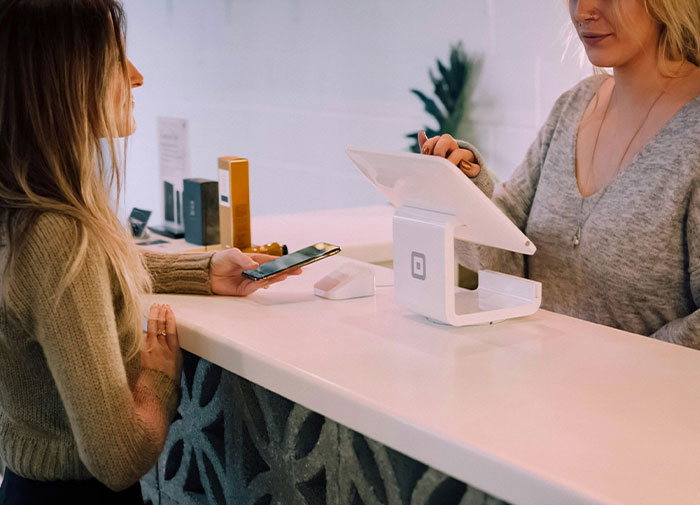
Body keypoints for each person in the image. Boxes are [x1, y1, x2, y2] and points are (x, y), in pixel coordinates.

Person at [0, 1, 299, 503]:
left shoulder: (21, 208)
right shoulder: (59, 234)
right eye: (117, 61)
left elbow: (70, 279)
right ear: (64, 78)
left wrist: (203, 271)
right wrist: (159, 376)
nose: (136, 77)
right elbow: (117, 457)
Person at [419, 0, 700, 349]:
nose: (583, 12)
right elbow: (505, 258)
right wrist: (461, 190)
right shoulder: (575, 104)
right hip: (537, 384)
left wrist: (631, 367)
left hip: (636, 399)